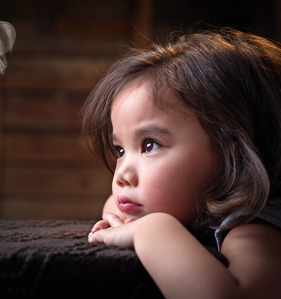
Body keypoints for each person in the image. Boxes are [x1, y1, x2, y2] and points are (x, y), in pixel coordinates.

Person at [82, 27, 281, 298]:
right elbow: (113, 206)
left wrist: (151, 230)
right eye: (120, 150)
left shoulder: (254, 224)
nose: (121, 176)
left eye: (149, 145)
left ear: (230, 155)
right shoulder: (188, 203)